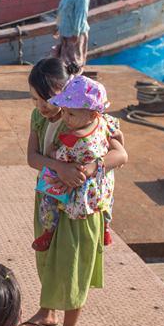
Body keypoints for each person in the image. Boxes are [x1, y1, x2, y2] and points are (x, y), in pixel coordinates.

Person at [23, 58, 127, 326]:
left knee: (72, 266)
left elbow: (120, 154)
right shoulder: (38, 118)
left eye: (48, 99)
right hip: (48, 201)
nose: (42, 106)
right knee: (46, 259)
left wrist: (90, 168)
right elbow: (32, 157)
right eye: (35, 99)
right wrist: (60, 167)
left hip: (80, 210)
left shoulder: (91, 118)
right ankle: (47, 312)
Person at [34, 75, 119, 252]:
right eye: (63, 111)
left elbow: (59, 157)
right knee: (108, 199)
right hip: (100, 185)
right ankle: (106, 228)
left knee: (48, 197)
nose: (65, 118)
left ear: (92, 114)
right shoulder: (104, 123)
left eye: (70, 114)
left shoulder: (75, 139)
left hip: (78, 189)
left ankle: (48, 230)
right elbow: (119, 141)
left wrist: (51, 152)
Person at [54, 0, 91, 70]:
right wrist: (57, 26)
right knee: (65, 63)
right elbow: (62, 10)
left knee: (75, 62)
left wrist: (76, 33)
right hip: (65, 32)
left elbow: (81, 14)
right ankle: (68, 86)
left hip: (75, 34)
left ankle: (76, 86)